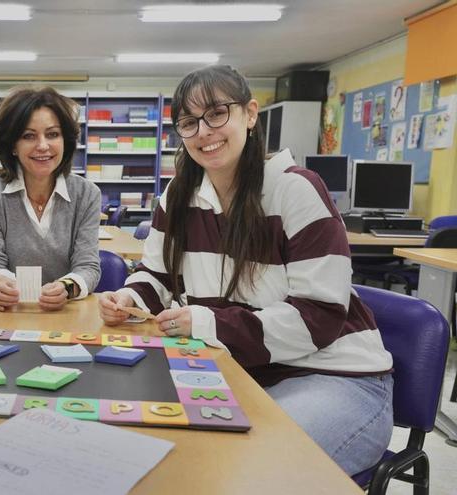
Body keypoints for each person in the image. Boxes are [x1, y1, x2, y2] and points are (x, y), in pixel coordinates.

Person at [98, 65, 393, 475]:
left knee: (246, 470)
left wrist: (206, 322)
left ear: (250, 114)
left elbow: (320, 317)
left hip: (332, 375)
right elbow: (158, 275)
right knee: (156, 450)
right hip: (240, 371)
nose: (204, 131)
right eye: (188, 122)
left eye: (217, 113)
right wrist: (129, 298)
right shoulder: (180, 195)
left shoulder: (294, 188)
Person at [0, 86, 100, 311]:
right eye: (28, 136)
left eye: (52, 134)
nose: (42, 146)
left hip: (67, 315)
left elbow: (88, 266)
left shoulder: (87, 194)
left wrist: (67, 288)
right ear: (13, 145)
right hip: (11, 314)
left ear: (65, 141)